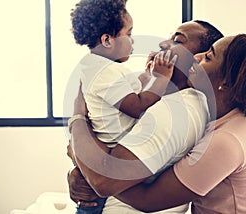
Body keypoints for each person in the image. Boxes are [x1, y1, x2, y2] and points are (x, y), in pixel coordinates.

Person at [70, 34, 246, 213]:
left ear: (227, 82)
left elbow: (120, 187)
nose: (197, 57)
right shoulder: (225, 122)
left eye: (208, 57)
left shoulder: (226, 139)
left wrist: (78, 127)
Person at [67, 20, 224, 213]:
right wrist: (78, 169)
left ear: (197, 61)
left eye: (177, 40)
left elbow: (103, 179)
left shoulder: (176, 110)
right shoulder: (161, 99)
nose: (163, 44)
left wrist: (77, 120)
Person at [69, 1, 177, 212]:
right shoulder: (106, 72)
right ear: (107, 40)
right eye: (129, 33)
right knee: (92, 206)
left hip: (106, 150)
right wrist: (162, 78)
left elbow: (128, 91)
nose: (133, 40)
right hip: (111, 152)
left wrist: (149, 75)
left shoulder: (96, 66)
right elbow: (136, 106)